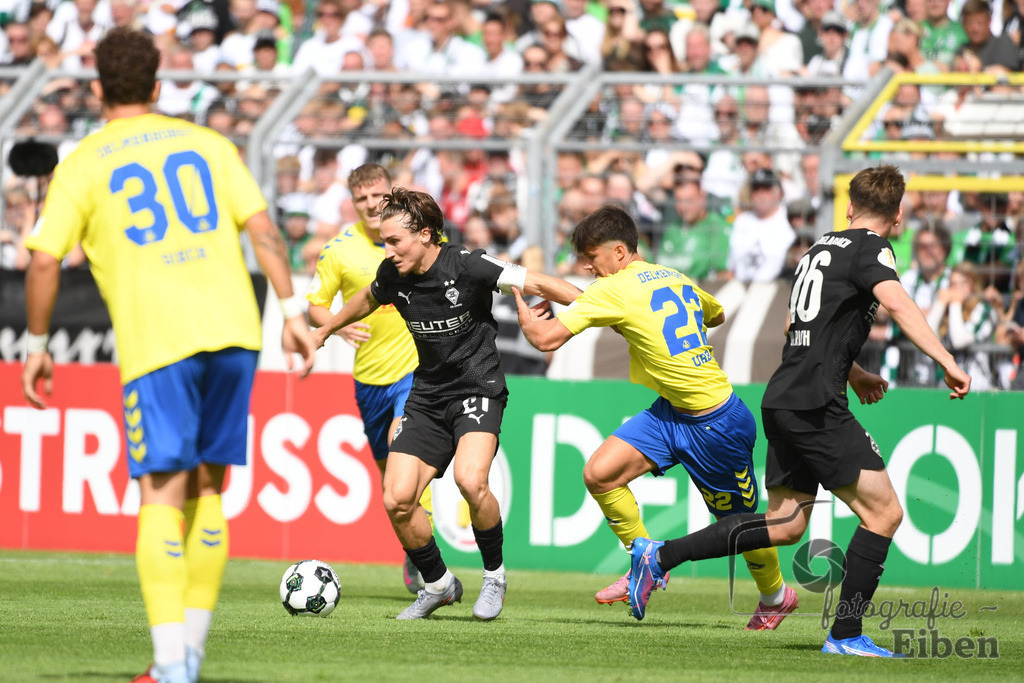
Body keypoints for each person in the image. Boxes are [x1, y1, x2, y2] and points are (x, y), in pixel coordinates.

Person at [19, 28, 316, 683]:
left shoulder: (84, 162)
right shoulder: (210, 144)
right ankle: (189, 656)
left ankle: (171, 663)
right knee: (210, 490)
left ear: (97, 90)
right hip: (236, 331)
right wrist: (292, 314)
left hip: (160, 338)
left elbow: (42, 259)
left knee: (160, 493)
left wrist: (37, 346)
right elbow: (263, 229)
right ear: (158, 87)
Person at [622, 165, 971, 657]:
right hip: (815, 404)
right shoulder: (874, 248)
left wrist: (856, 374)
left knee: (785, 524)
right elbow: (900, 304)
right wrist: (947, 361)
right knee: (884, 513)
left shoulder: (818, 249)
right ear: (897, 216)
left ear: (848, 207)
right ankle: (846, 636)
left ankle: (660, 556)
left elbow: (797, 326)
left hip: (783, 394)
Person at [512, 205, 797, 630]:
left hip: (716, 423)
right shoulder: (673, 276)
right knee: (600, 473)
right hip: (671, 413)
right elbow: (716, 313)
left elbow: (545, 338)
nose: (587, 266)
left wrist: (521, 309)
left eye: (592, 257)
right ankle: (643, 563)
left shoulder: (614, 289)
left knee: (738, 526)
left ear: (621, 252)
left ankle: (776, 596)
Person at [310, 187, 580, 620]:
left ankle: (494, 577)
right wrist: (326, 330)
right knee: (396, 499)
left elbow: (537, 281)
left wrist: (595, 308)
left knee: (471, 482)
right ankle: (438, 585)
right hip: (428, 395)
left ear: (425, 234)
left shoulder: (468, 265)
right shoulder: (393, 273)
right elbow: (366, 297)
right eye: (383, 241)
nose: (388, 250)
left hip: (478, 387)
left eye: (395, 240)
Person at [305, 163, 433, 594]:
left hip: (416, 368)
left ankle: (426, 561)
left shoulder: (414, 233)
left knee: (407, 449)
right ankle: (415, 548)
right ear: (352, 202)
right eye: (361, 199)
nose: (371, 204)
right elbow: (316, 306)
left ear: (389, 192)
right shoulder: (339, 250)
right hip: (369, 378)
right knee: (390, 476)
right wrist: (338, 327)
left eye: (377, 195)